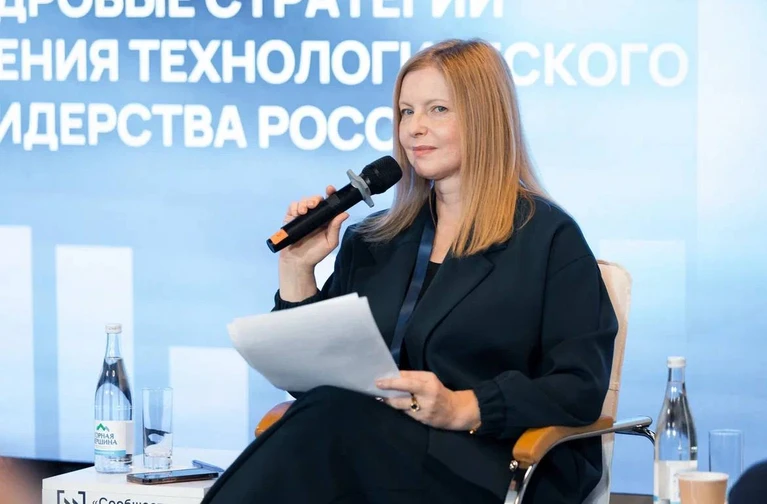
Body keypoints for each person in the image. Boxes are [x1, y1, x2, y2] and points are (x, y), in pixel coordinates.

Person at [202, 38, 618, 504]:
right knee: (327, 415)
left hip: (487, 459)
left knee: (327, 424)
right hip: (365, 447)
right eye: (406, 112)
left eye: (438, 109)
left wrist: (463, 406)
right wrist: (297, 267)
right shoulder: (373, 239)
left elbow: (579, 385)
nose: (414, 128)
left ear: (485, 118)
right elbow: (310, 380)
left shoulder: (548, 238)